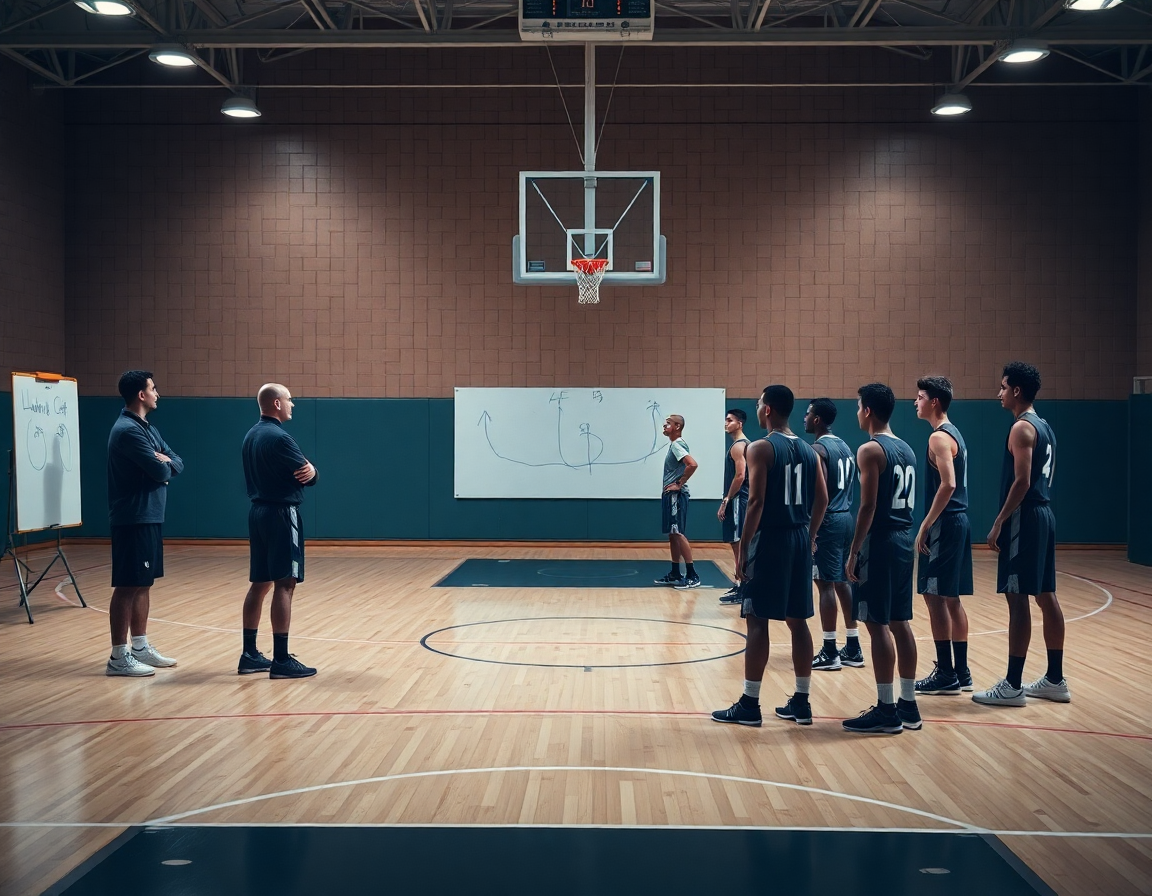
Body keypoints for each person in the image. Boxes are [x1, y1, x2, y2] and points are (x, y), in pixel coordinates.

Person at [712, 385, 828, 727]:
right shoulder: (809, 450)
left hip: (771, 539)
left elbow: (756, 501)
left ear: (767, 409)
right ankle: (802, 701)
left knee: (757, 619)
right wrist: (810, 535)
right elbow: (822, 498)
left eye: (759, 402)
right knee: (798, 621)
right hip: (799, 537)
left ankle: (750, 704)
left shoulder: (761, 447)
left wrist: (745, 548)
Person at [973, 362, 1070, 706]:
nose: (998, 393)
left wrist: (999, 520)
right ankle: (1055, 679)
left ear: (1016, 390)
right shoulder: (1045, 427)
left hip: (1025, 517)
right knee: (1045, 595)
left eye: (1003, 387)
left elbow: (1023, 481)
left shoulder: (1022, 428)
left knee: (1018, 598)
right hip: (1044, 514)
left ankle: (1012, 685)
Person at [843, 383, 921, 734]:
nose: (857, 413)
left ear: (868, 410)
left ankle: (886, 709)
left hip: (881, 541)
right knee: (901, 622)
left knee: (877, 624)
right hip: (904, 539)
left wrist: (854, 550)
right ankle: (909, 705)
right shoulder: (906, 448)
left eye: (858, 406)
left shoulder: (870, 450)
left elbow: (869, 506)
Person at [105, 370, 184, 677]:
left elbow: (176, 460)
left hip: (150, 516)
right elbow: (161, 471)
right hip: (133, 518)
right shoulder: (128, 431)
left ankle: (139, 647)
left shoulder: (147, 428)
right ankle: (118, 656)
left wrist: (166, 460)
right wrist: (163, 463)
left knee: (143, 582)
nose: (157, 394)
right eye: (153, 389)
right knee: (127, 585)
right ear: (141, 395)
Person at [239, 383, 319, 679]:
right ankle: (282, 660)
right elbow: (307, 475)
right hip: (283, 514)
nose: (292, 404)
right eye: (289, 399)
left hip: (258, 513)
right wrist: (314, 471)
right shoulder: (281, 438)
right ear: (276, 403)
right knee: (285, 584)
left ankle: (249, 654)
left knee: (259, 583)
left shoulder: (251, 435)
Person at [912, 376, 974, 696]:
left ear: (934, 402)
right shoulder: (955, 433)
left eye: (920, 397)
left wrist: (925, 524)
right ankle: (961, 672)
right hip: (958, 521)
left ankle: (946, 674)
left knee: (934, 596)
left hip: (946, 523)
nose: (916, 402)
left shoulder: (938, 437)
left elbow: (948, 484)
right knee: (950, 598)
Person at [804, 398, 863, 670]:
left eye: (808, 414)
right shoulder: (844, 446)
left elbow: (821, 497)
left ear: (817, 419)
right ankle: (853, 646)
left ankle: (829, 651)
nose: (805, 418)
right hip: (846, 518)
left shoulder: (818, 449)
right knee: (842, 582)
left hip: (828, 520)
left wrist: (811, 533)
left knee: (825, 583)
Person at [653, 414, 700, 590]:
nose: (664, 426)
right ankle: (675, 573)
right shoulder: (674, 445)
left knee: (678, 533)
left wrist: (679, 484)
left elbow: (692, 464)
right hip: (670, 495)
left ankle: (692, 575)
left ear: (677, 427)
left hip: (676, 496)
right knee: (673, 534)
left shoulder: (677, 445)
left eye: (668, 424)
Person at [717, 409, 750, 604]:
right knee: (736, 543)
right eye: (725, 420)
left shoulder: (739, 446)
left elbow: (740, 475)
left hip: (738, 500)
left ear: (740, 423)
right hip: (741, 500)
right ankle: (740, 584)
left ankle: (743, 587)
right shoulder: (745, 444)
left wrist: (727, 499)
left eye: (730, 420)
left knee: (739, 543)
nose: (726, 423)